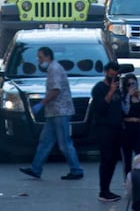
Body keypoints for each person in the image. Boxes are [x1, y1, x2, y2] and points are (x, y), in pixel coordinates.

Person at [19, 47, 84, 181]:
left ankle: (76, 170)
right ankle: (36, 169)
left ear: (48, 57)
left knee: (64, 143)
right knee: (46, 142)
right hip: (54, 112)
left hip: (60, 112)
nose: (39, 60)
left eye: (41, 57)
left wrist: (42, 103)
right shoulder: (53, 68)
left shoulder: (54, 69)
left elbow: (55, 90)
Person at [91, 61, 125, 203]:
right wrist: (110, 91)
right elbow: (100, 108)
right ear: (106, 72)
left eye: (116, 73)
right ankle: (103, 190)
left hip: (116, 129)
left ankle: (107, 190)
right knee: (106, 159)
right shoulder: (99, 88)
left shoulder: (118, 88)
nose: (113, 76)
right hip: (104, 129)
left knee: (112, 160)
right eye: (111, 72)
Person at [121, 73, 140, 177]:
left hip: (138, 128)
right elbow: (125, 111)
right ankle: (128, 182)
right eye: (129, 84)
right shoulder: (123, 98)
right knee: (127, 159)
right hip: (127, 129)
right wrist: (129, 96)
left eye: (134, 84)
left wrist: (138, 98)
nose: (132, 86)